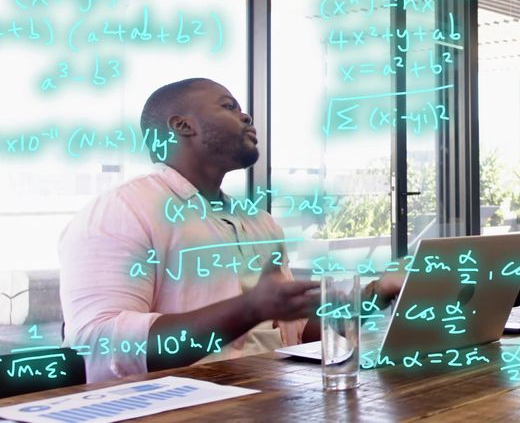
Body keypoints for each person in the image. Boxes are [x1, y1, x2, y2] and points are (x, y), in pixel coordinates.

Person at [59, 78, 401, 383]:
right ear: (182, 125)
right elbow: (99, 343)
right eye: (228, 106)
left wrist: (377, 292)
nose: (246, 116)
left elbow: (294, 334)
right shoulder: (121, 211)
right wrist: (250, 308)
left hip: (269, 399)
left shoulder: (259, 222)